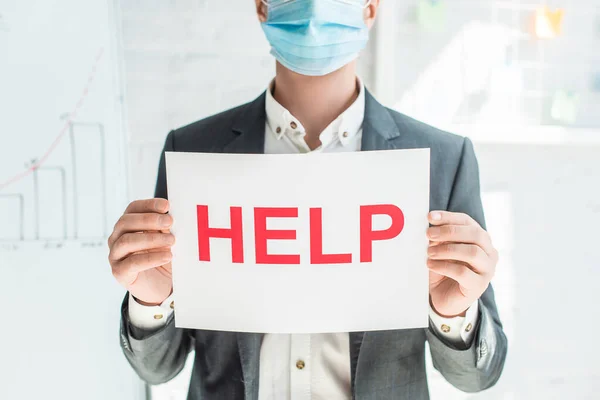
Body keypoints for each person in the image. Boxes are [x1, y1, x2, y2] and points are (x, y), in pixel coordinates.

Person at [108, 0, 507, 399]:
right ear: (263, 6)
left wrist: (452, 314)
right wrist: (150, 301)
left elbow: (476, 378)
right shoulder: (194, 151)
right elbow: (159, 368)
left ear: (369, 8)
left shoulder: (443, 160)